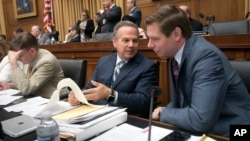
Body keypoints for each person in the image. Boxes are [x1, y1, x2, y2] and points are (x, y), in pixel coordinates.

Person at [145, 4, 250, 137]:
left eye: (155, 39)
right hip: (202, 130)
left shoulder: (206, 57)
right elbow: (181, 101)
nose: (149, 45)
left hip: (231, 131)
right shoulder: (175, 55)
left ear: (176, 34)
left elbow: (201, 120)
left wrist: (164, 112)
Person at [68, 21, 159, 117]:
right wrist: (78, 96)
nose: (131, 45)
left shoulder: (147, 66)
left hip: (127, 118)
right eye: (126, 40)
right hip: (99, 115)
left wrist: (110, 94)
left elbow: (143, 101)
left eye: (135, 41)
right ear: (115, 42)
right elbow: (91, 87)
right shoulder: (104, 61)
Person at [0, 32, 65, 98]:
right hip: (37, 99)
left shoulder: (47, 62)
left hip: (58, 100)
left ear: (32, 51)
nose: (17, 59)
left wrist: (13, 63)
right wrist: (9, 85)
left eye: (19, 56)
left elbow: (27, 89)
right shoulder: (29, 58)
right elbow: (28, 83)